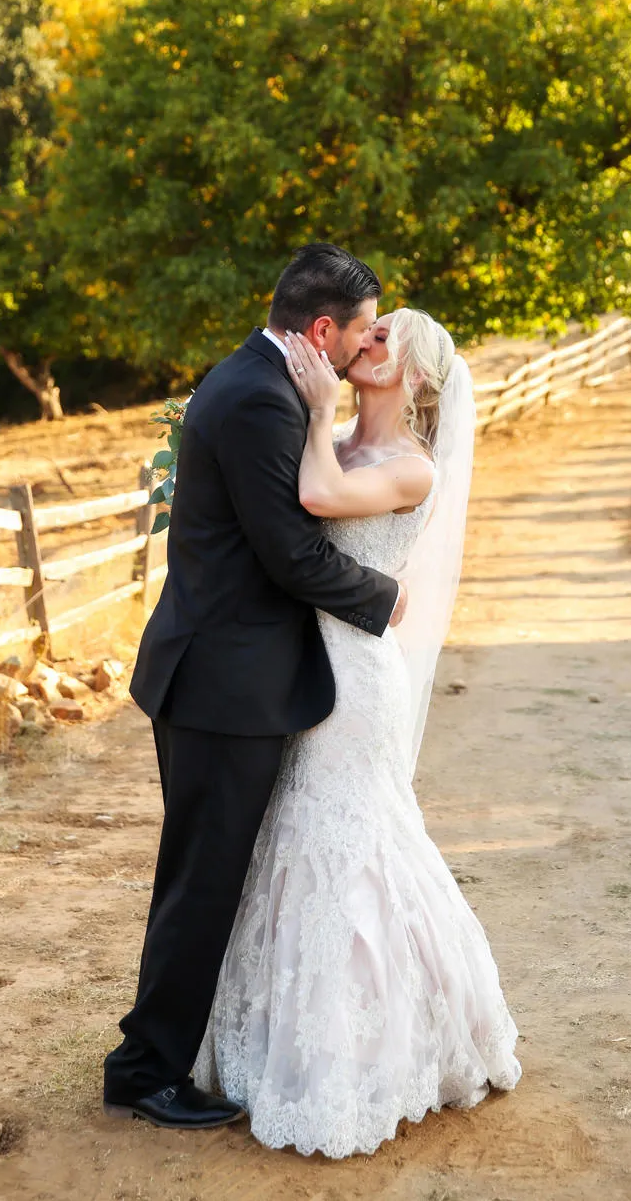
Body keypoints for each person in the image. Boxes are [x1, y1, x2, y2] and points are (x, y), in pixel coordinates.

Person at [194, 306, 521, 1157]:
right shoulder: (336, 441)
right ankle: (275, 1035)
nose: (362, 342)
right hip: (296, 666)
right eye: (368, 333)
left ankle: (366, 1049)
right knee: (293, 834)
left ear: (416, 378)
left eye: (384, 340)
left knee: (350, 841)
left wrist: (314, 410)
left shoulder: (410, 467)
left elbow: (317, 500)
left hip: (356, 678)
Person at [102, 244, 406, 1130]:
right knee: (202, 884)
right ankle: (145, 1073)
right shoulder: (260, 400)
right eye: (361, 333)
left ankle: (159, 1056)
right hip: (223, 685)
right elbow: (290, 554)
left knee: (202, 878)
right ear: (323, 330)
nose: (368, 348)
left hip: (224, 674)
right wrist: (384, 599)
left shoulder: (255, 382)